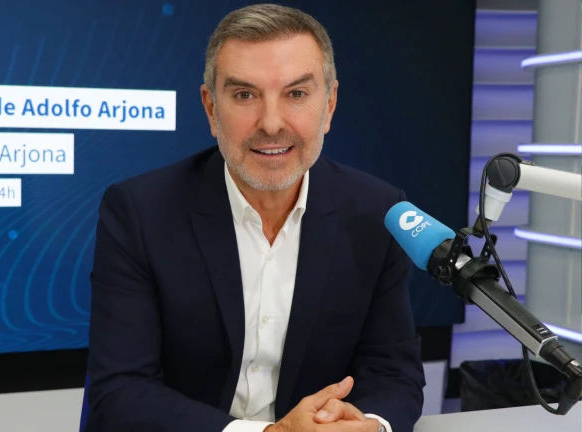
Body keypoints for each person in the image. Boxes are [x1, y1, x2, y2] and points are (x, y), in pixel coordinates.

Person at [84, 4, 425, 432]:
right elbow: (120, 392)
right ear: (211, 109)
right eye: (245, 95)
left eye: (296, 94)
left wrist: (370, 425)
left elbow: (394, 371)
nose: (271, 123)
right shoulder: (139, 212)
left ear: (329, 105)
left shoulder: (378, 212)